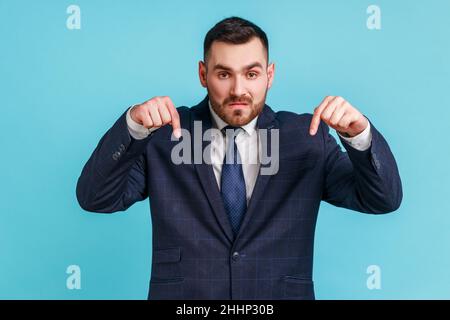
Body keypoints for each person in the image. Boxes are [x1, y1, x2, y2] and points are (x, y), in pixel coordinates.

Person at [76, 16, 402, 300]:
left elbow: (382, 199)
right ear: (203, 74)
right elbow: (95, 197)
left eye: (251, 74)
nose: (237, 90)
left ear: (269, 75)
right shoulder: (164, 136)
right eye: (223, 74)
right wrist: (132, 126)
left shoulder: (307, 138)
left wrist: (358, 136)